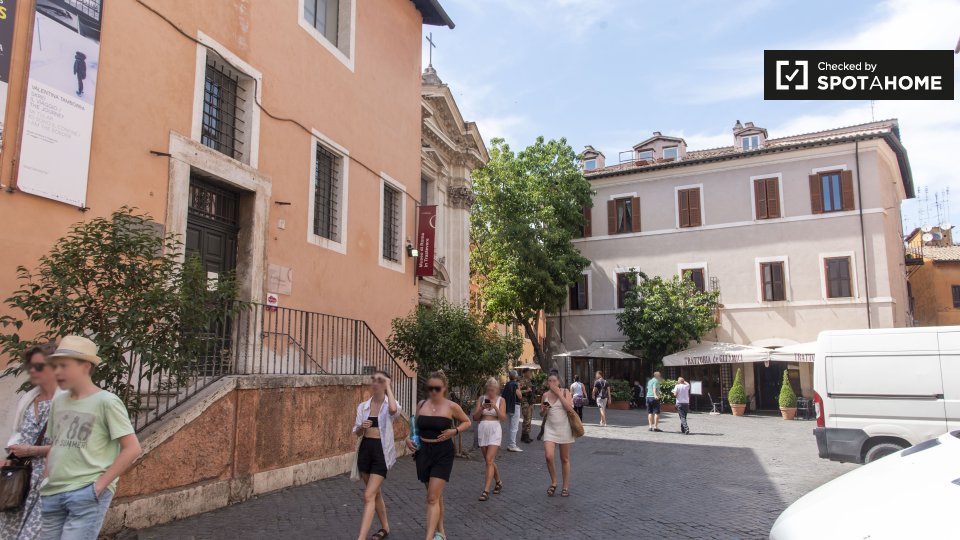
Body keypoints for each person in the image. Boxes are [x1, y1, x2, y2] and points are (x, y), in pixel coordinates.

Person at [39, 335, 142, 540]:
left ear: (85, 367)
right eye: (55, 366)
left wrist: (100, 486)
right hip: (53, 493)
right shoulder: (58, 403)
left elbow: (132, 448)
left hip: (85, 492)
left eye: (64, 366)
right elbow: (54, 444)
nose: (57, 372)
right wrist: (46, 480)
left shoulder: (106, 402)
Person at [1, 344, 66, 540]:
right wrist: (10, 458)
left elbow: (69, 446)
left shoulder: (67, 400)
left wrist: (30, 450)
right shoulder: (28, 399)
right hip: (21, 480)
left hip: (51, 477)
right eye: (30, 366)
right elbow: (18, 435)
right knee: (9, 533)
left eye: (39, 366)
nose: (32, 371)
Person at [405, 371, 471, 540]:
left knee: (432, 497)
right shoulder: (421, 404)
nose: (433, 391)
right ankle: (441, 532)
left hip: (443, 453)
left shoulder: (451, 406)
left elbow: (467, 422)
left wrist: (454, 431)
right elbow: (415, 428)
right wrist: (408, 439)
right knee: (435, 495)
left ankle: (429, 537)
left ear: (444, 388)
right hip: (423, 452)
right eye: (431, 388)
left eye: (437, 388)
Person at [352, 370, 400, 540]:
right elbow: (357, 432)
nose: (375, 383)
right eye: (374, 380)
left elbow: (394, 411)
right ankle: (385, 527)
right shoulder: (363, 406)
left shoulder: (390, 404)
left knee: (368, 495)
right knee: (375, 493)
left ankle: (361, 537)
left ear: (386, 383)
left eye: (380, 380)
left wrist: (388, 386)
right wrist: (362, 427)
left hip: (381, 451)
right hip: (366, 450)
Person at [541, 373, 575, 497]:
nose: (552, 383)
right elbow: (541, 414)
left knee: (564, 458)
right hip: (550, 429)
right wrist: (544, 410)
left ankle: (565, 486)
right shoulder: (545, 395)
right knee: (548, 456)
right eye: (549, 381)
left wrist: (559, 394)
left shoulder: (565, 392)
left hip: (564, 428)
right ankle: (554, 482)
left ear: (558, 382)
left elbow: (569, 409)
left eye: (554, 381)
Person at [472, 377, 506, 501]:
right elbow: (475, 417)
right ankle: (498, 481)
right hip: (483, 429)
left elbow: (503, 418)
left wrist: (495, 407)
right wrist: (482, 408)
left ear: (497, 390)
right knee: (488, 461)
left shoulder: (501, 400)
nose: (491, 392)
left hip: (495, 429)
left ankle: (486, 490)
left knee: (489, 459)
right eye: (489, 390)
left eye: (493, 390)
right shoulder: (481, 399)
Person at [501, 370, 522, 452]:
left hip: (508, 407)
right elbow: (519, 396)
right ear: (516, 376)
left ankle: (510, 443)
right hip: (515, 406)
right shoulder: (515, 384)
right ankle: (512, 445)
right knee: (514, 427)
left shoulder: (507, 384)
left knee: (509, 426)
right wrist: (519, 388)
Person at [536, 368, 560, 441]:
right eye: (552, 373)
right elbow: (541, 389)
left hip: (556, 402)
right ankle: (542, 431)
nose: (553, 374)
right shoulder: (547, 381)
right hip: (547, 400)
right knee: (546, 418)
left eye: (554, 373)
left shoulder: (557, 381)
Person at [519, 370, 535, 444]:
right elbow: (518, 392)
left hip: (530, 402)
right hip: (525, 402)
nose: (530, 373)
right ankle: (525, 436)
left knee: (529, 418)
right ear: (524, 373)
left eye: (530, 372)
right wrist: (526, 391)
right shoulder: (521, 381)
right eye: (528, 372)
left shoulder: (530, 381)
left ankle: (525, 435)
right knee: (526, 418)